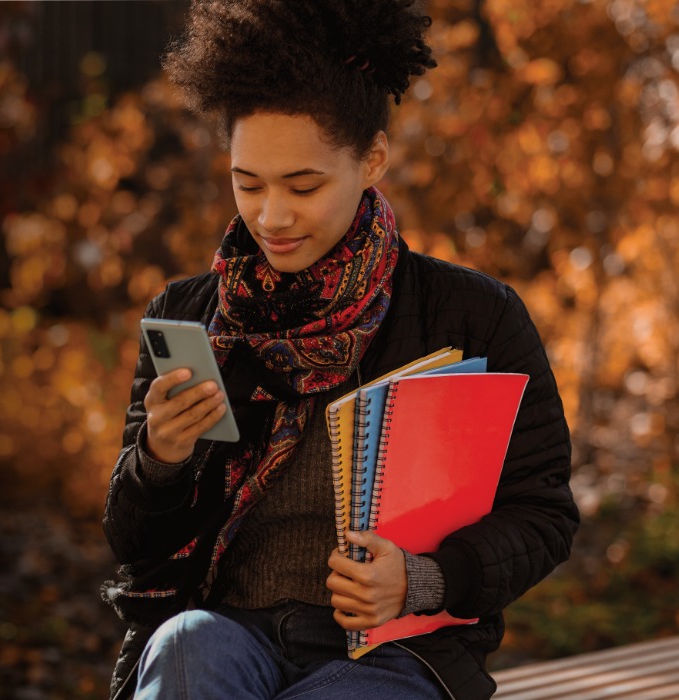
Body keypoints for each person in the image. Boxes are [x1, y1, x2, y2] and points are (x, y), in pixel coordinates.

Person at [99, 2, 579, 699]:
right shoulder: (188, 317)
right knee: (183, 649)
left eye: (304, 185)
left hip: (395, 654)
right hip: (225, 631)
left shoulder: (473, 316)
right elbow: (135, 547)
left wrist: (424, 579)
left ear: (372, 159)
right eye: (247, 182)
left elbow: (544, 512)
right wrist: (158, 462)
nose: (271, 216)